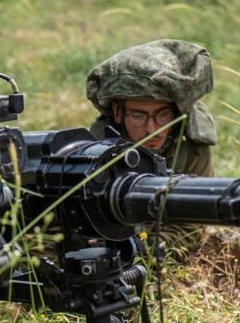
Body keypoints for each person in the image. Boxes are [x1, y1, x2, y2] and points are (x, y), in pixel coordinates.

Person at [85, 39, 217, 257]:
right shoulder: (96, 153)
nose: (152, 129)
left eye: (163, 114)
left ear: (177, 113)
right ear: (118, 112)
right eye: (138, 115)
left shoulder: (190, 149)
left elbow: (189, 229)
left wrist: (137, 250)